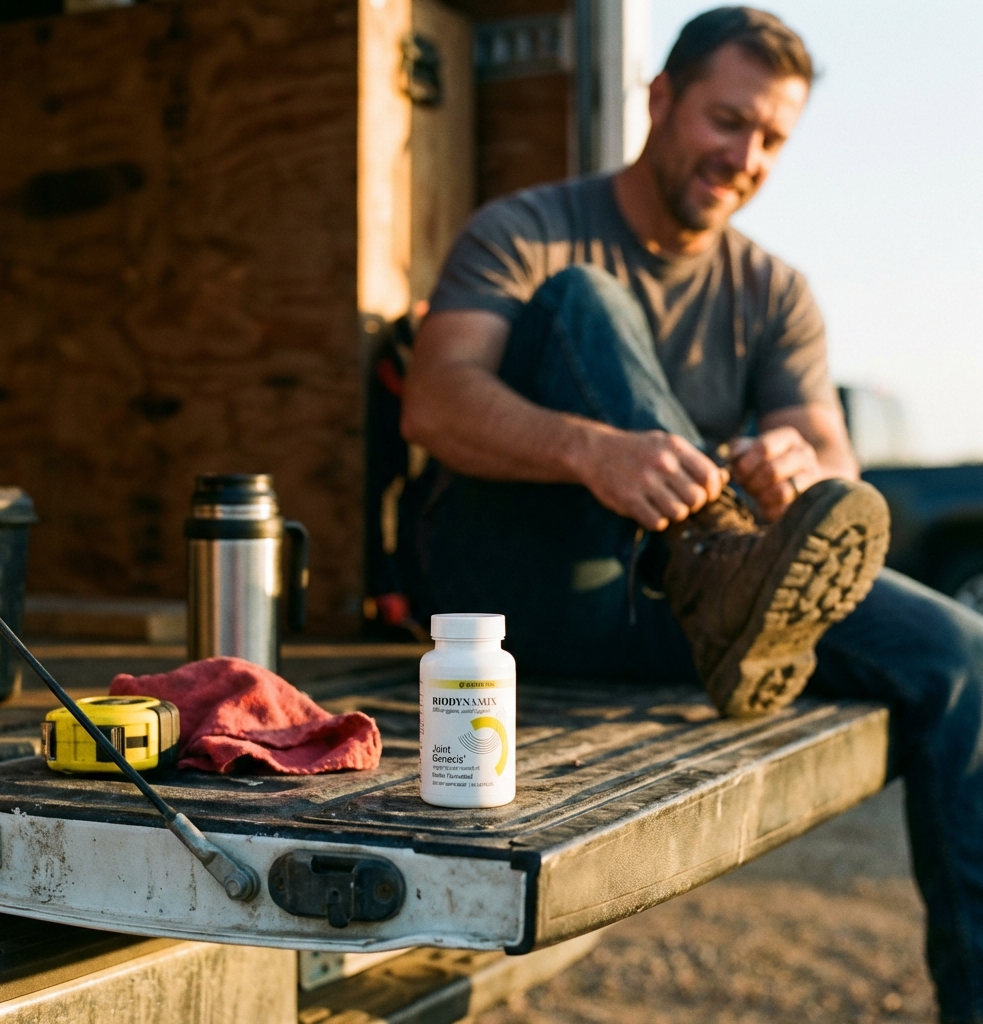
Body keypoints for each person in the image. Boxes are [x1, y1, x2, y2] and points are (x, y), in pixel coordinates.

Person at [401, 7, 983, 1019]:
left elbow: (839, 466)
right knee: (584, 299)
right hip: (521, 599)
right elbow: (435, 398)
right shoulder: (527, 228)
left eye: (770, 140)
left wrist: (795, 474)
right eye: (726, 121)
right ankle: (715, 560)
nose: (745, 156)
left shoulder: (775, 290)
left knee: (965, 652)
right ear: (660, 99)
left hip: (698, 622)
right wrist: (589, 448)